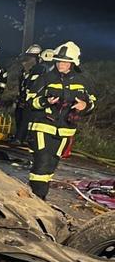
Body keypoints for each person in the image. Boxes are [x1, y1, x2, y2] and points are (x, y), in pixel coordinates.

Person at [26, 41, 96, 199]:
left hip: (65, 129)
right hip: (42, 126)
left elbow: (92, 103)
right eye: (59, 61)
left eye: (65, 62)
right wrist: (45, 102)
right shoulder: (45, 78)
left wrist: (85, 105)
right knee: (42, 161)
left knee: (51, 164)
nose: (61, 65)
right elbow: (30, 100)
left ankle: (38, 196)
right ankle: (38, 199)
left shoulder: (83, 82)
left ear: (73, 63)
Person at [9, 44, 43, 145]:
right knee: (19, 115)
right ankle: (20, 137)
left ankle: (19, 139)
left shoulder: (39, 69)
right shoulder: (27, 70)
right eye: (28, 57)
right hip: (24, 98)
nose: (28, 60)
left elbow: (35, 86)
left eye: (31, 57)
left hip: (33, 99)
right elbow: (22, 84)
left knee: (26, 118)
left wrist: (28, 98)